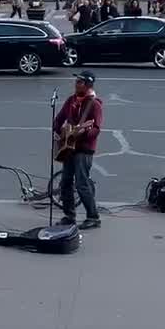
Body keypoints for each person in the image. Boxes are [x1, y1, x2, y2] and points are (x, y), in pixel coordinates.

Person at [53, 71, 103, 229]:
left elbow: (96, 129)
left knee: (81, 183)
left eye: (79, 82)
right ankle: (69, 216)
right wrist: (57, 132)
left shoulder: (94, 104)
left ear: (88, 85)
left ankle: (93, 217)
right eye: (76, 81)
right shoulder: (71, 100)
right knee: (65, 182)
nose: (76, 84)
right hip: (69, 147)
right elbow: (60, 118)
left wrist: (83, 132)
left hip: (84, 149)